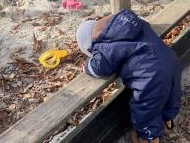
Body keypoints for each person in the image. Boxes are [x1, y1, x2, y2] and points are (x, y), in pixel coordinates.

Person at [77, 10, 181, 143]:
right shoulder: (129, 23)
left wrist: (86, 66)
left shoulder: (104, 47)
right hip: (171, 60)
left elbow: (97, 68)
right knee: (171, 96)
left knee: (145, 112)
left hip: (150, 77)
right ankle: (167, 121)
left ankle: (150, 138)